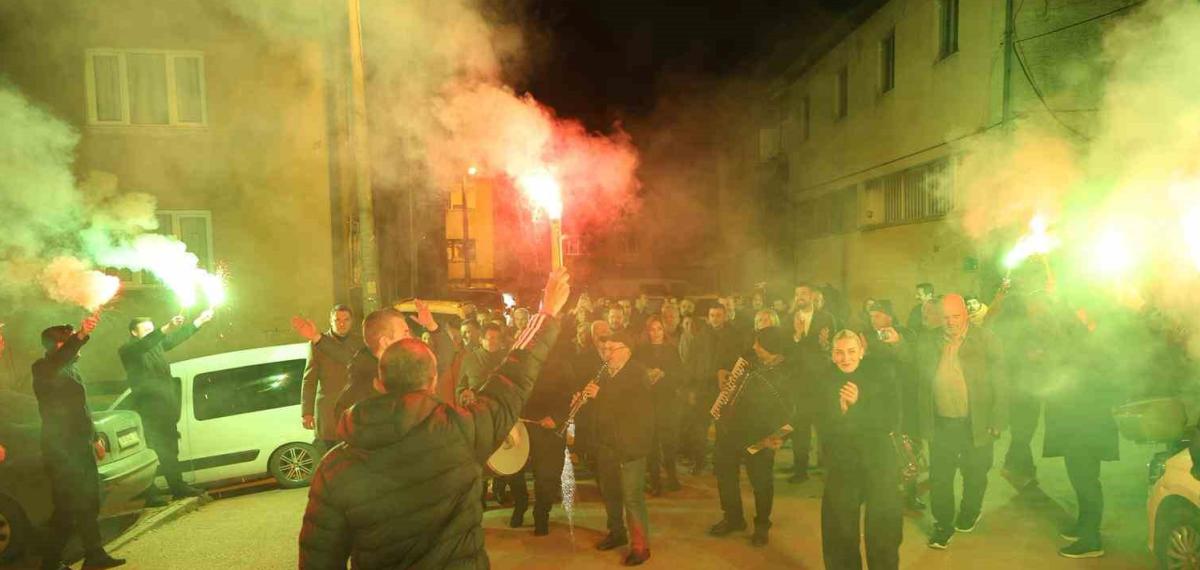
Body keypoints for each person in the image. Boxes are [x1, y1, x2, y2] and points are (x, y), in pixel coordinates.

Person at [298, 268, 569, 569]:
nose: (411, 333)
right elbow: (513, 379)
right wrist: (544, 315)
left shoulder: (336, 467)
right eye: (405, 332)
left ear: (381, 382)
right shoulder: (461, 431)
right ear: (432, 381)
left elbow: (318, 559)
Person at [35, 314, 126, 570]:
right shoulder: (43, 368)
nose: (76, 343)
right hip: (61, 451)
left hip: (78, 447)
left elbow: (81, 409)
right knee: (69, 508)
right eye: (70, 339)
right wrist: (82, 334)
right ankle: (52, 562)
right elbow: (57, 362)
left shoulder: (70, 369)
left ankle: (91, 555)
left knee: (85, 503)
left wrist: (94, 437)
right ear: (58, 347)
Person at [918, 294, 1006, 549]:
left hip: (976, 422)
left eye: (955, 316)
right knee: (940, 477)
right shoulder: (929, 340)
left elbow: (1001, 379)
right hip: (942, 422)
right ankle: (943, 524)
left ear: (965, 315)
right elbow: (911, 366)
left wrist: (998, 417)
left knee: (975, 472)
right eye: (945, 317)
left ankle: (970, 510)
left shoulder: (986, 339)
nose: (951, 322)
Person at [820, 330, 903, 570]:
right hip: (842, 464)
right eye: (839, 352)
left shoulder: (881, 375)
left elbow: (891, 419)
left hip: (878, 462)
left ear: (862, 352)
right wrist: (841, 412)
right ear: (832, 355)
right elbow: (818, 419)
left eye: (851, 351)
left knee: (883, 531)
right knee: (839, 530)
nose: (846, 358)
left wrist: (858, 405)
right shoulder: (825, 379)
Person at [119, 309, 215, 503]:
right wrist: (167, 327)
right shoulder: (129, 350)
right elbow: (148, 343)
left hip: (165, 407)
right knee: (153, 452)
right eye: (146, 329)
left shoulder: (156, 345)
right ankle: (150, 494)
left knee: (170, 449)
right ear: (134, 332)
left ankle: (178, 487)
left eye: (152, 329)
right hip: (148, 409)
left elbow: (175, 338)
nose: (151, 332)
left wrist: (199, 321)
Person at [709, 328, 793, 547]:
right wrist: (725, 379)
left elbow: (796, 414)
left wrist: (779, 437)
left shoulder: (789, 374)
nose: (754, 347)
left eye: (759, 344)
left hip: (760, 439)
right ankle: (733, 518)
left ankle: (762, 525)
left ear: (773, 350)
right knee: (725, 475)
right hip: (730, 430)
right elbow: (728, 377)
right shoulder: (749, 360)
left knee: (761, 483)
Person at [577, 330, 653, 566]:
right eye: (605, 349)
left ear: (626, 351)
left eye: (612, 349)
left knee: (632, 498)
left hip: (630, 445)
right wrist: (583, 400)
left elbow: (634, 408)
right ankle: (617, 532)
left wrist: (602, 393)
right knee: (610, 493)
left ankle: (641, 547)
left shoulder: (638, 373)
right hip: (607, 444)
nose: (606, 353)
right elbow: (601, 409)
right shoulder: (604, 374)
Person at [333, 300, 450, 419]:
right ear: (385, 342)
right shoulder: (362, 390)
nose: (410, 338)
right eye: (405, 333)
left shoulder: (407, 369)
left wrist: (432, 327)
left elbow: (441, 361)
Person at [293, 305, 365, 459]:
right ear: (330, 321)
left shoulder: (360, 343)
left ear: (352, 321)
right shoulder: (316, 344)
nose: (342, 323)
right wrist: (307, 412)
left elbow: (352, 361)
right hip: (329, 411)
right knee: (333, 458)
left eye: (346, 319)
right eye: (337, 319)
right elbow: (309, 379)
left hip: (355, 408)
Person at [786, 282, 837, 484]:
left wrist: (824, 345)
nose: (800, 297)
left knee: (825, 427)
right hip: (798, 384)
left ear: (812, 296)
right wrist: (798, 336)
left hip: (820, 382)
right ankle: (800, 469)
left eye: (804, 294)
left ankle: (830, 469)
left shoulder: (827, 318)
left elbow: (830, 348)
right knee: (799, 428)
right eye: (797, 293)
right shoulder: (789, 320)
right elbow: (785, 348)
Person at [637, 316, 684, 495]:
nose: (656, 333)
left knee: (669, 442)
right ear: (647, 331)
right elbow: (636, 371)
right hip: (648, 401)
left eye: (659, 329)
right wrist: (647, 374)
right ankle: (655, 481)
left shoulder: (672, 350)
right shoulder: (641, 350)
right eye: (652, 329)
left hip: (667, 401)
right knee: (652, 443)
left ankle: (672, 477)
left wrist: (664, 374)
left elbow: (680, 374)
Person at [458, 323, 507, 405]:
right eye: (491, 338)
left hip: (500, 406)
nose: (495, 341)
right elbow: (461, 385)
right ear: (481, 340)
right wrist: (464, 393)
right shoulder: (470, 358)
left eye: (497, 338)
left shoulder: (507, 358)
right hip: (476, 407)